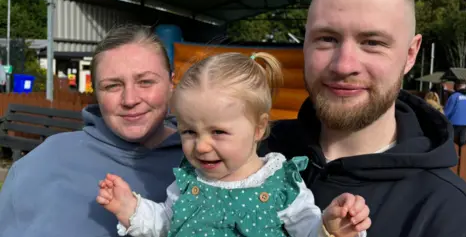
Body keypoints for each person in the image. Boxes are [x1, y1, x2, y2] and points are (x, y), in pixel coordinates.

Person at [258, 0, 466, 236]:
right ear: (305, 42)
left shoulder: (455, 219)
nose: (344, 65)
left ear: (410, 54)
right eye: (327, 38)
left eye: (372, 42)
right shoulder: (241, 153)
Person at [96, 52, 371, 237]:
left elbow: (308, 231)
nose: (201, 146)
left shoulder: (280, 185)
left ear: (258, 128)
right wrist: (130, 208)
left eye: (218, 132)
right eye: (189, 131)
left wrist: (330, 226)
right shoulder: (189, 181)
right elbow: (165, 222)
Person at [0, 24, 184, 237]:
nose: (130, 100)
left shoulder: (207, 163)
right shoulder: (43, 163)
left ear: (171, 83)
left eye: (145, 82)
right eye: (112, 86)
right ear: (96, 92)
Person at [444, 79, 466, 147]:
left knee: (450, 140)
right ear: (465, 85)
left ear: (457, 86)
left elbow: (448, 111)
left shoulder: (454, 96)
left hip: (454, 122)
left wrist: (444, 119)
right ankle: (461, 155)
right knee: (462, 142)